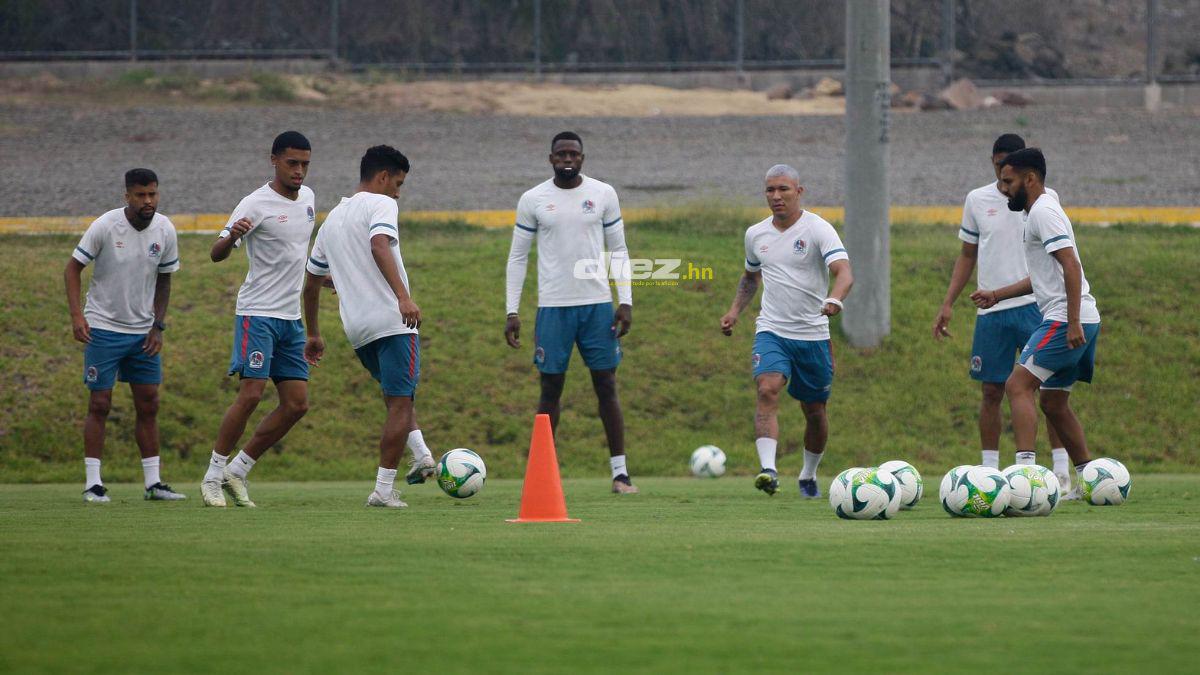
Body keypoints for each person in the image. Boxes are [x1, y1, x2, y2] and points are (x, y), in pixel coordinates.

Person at [932, 133, 1071, 487]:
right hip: (992, 311)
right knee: (991, 391)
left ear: (1025, 171)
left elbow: (1064, 256)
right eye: (997, 166)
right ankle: (990, 472)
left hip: (1034, 306)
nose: (1002, 174)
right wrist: (947, 303)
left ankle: (1059, 470)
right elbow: (967, 254)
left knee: (1047, 388)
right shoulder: (977, 199)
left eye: (1008, 168)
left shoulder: (1045, 199)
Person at [503, 131, 637, 494]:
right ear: (550, 159)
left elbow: (618, 250)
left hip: (596, 307)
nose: (567, 159)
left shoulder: (603, 194)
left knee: (606, 385)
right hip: (553, 309)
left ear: (582, 158)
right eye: (560, 154)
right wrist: (511, 310)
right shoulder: (533, 199)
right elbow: (518, 257)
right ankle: (541, 476)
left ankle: (620, 474)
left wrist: (624, 301)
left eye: (573, 154)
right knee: (550, 388)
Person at [970, 148, 1101, 499]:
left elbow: (1071, 266)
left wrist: (1071, 322)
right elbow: (1044, 276)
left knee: (1017, 385)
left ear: (1030, 179)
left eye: (1009, 181)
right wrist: (998, 294)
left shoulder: (1043, 212)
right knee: (1054, 402)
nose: (1004, 188)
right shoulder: (1036, 213)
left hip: (1066, 319)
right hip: (1079, 317)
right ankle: (1091, 481)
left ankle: (1025, 476)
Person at [302, 145, 426, 508]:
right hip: (392, 320)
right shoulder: (381, 204)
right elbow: (378, 245)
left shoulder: (333, 220)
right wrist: (403, 297)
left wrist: (313, 332)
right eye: (398, 184)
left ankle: (422, 455)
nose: (398, 193)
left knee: (395, 397)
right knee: (401, 402)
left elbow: (312, 283)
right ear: (383, 177)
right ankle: (384, 490)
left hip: (356, 329)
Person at [720, 164, 852, 498]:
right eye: (770, 190)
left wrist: (835, 300)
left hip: (813, 335)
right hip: (772, 330)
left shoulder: (818, 229)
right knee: (767, 388)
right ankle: (768, 471)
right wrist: (735, 311)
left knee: (815, 411)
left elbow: (844, 272)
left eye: (784, 189)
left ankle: (808, 475)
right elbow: (751, 277)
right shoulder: (756, 235)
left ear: (799, 191)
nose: (776, 197)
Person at [200, 131, 317, 508]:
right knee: (251, 394)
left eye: (304, 164)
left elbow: (295, 253)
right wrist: (231, 236)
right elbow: (216, 254)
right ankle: (213, 477)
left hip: (290, 318)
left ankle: (239, 469)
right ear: (274, 160)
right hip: (257, 314)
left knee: (297, 404)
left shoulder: (310, 199)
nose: (299, 171)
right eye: (292, 163)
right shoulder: (254, 203)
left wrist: (325, 278)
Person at [64, 168, 185, 503]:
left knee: (149, 403)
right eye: (141, 195)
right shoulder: (105, 226)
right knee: (100, 403)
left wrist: (158, 326)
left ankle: (153, 483)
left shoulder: (165, 228)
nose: (148, 201)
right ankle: (93, 483)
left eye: (153, 194)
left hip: (142, 333)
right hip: (102, 328)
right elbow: (72, 268)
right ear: (127, 196)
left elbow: (165, 279)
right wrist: (77, 316)